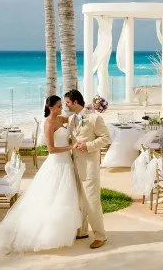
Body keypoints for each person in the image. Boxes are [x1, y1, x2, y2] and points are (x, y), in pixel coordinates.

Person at [0, 95, 81, 254]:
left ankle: (59, 231)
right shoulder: (49, 123)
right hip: (57, 163)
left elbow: (74, 118)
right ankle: (42, 234)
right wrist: (71, 148)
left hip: (66, 164)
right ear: (51, 108)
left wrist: (88, 109)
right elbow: (51, 149)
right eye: (58, 106)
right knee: (50, 198)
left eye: (61, 106)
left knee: (63, 199)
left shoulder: (61, 119)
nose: (60, 109)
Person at [64, 89, 111, 249]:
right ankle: (82, 231)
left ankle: (100, 235)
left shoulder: (94, 118)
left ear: (76, 102)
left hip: (89, 166)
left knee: (92, 201)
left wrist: (88, 145)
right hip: (75, 164)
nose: (66, 105)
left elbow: (106, 138)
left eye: (68, 102)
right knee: (79, 200)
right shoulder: (71, 119)